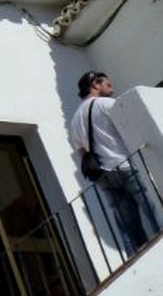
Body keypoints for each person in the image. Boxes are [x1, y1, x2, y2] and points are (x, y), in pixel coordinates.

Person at [68, 70, 159, 256]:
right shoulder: (106, 104)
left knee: (127, 225)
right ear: (95, 85)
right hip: (125, 165)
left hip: (103, 176)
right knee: (152, 207)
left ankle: (139, 256)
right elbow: (131, 126)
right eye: (108, 85)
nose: (113, 88)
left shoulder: (75, 120)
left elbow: (81, 153)